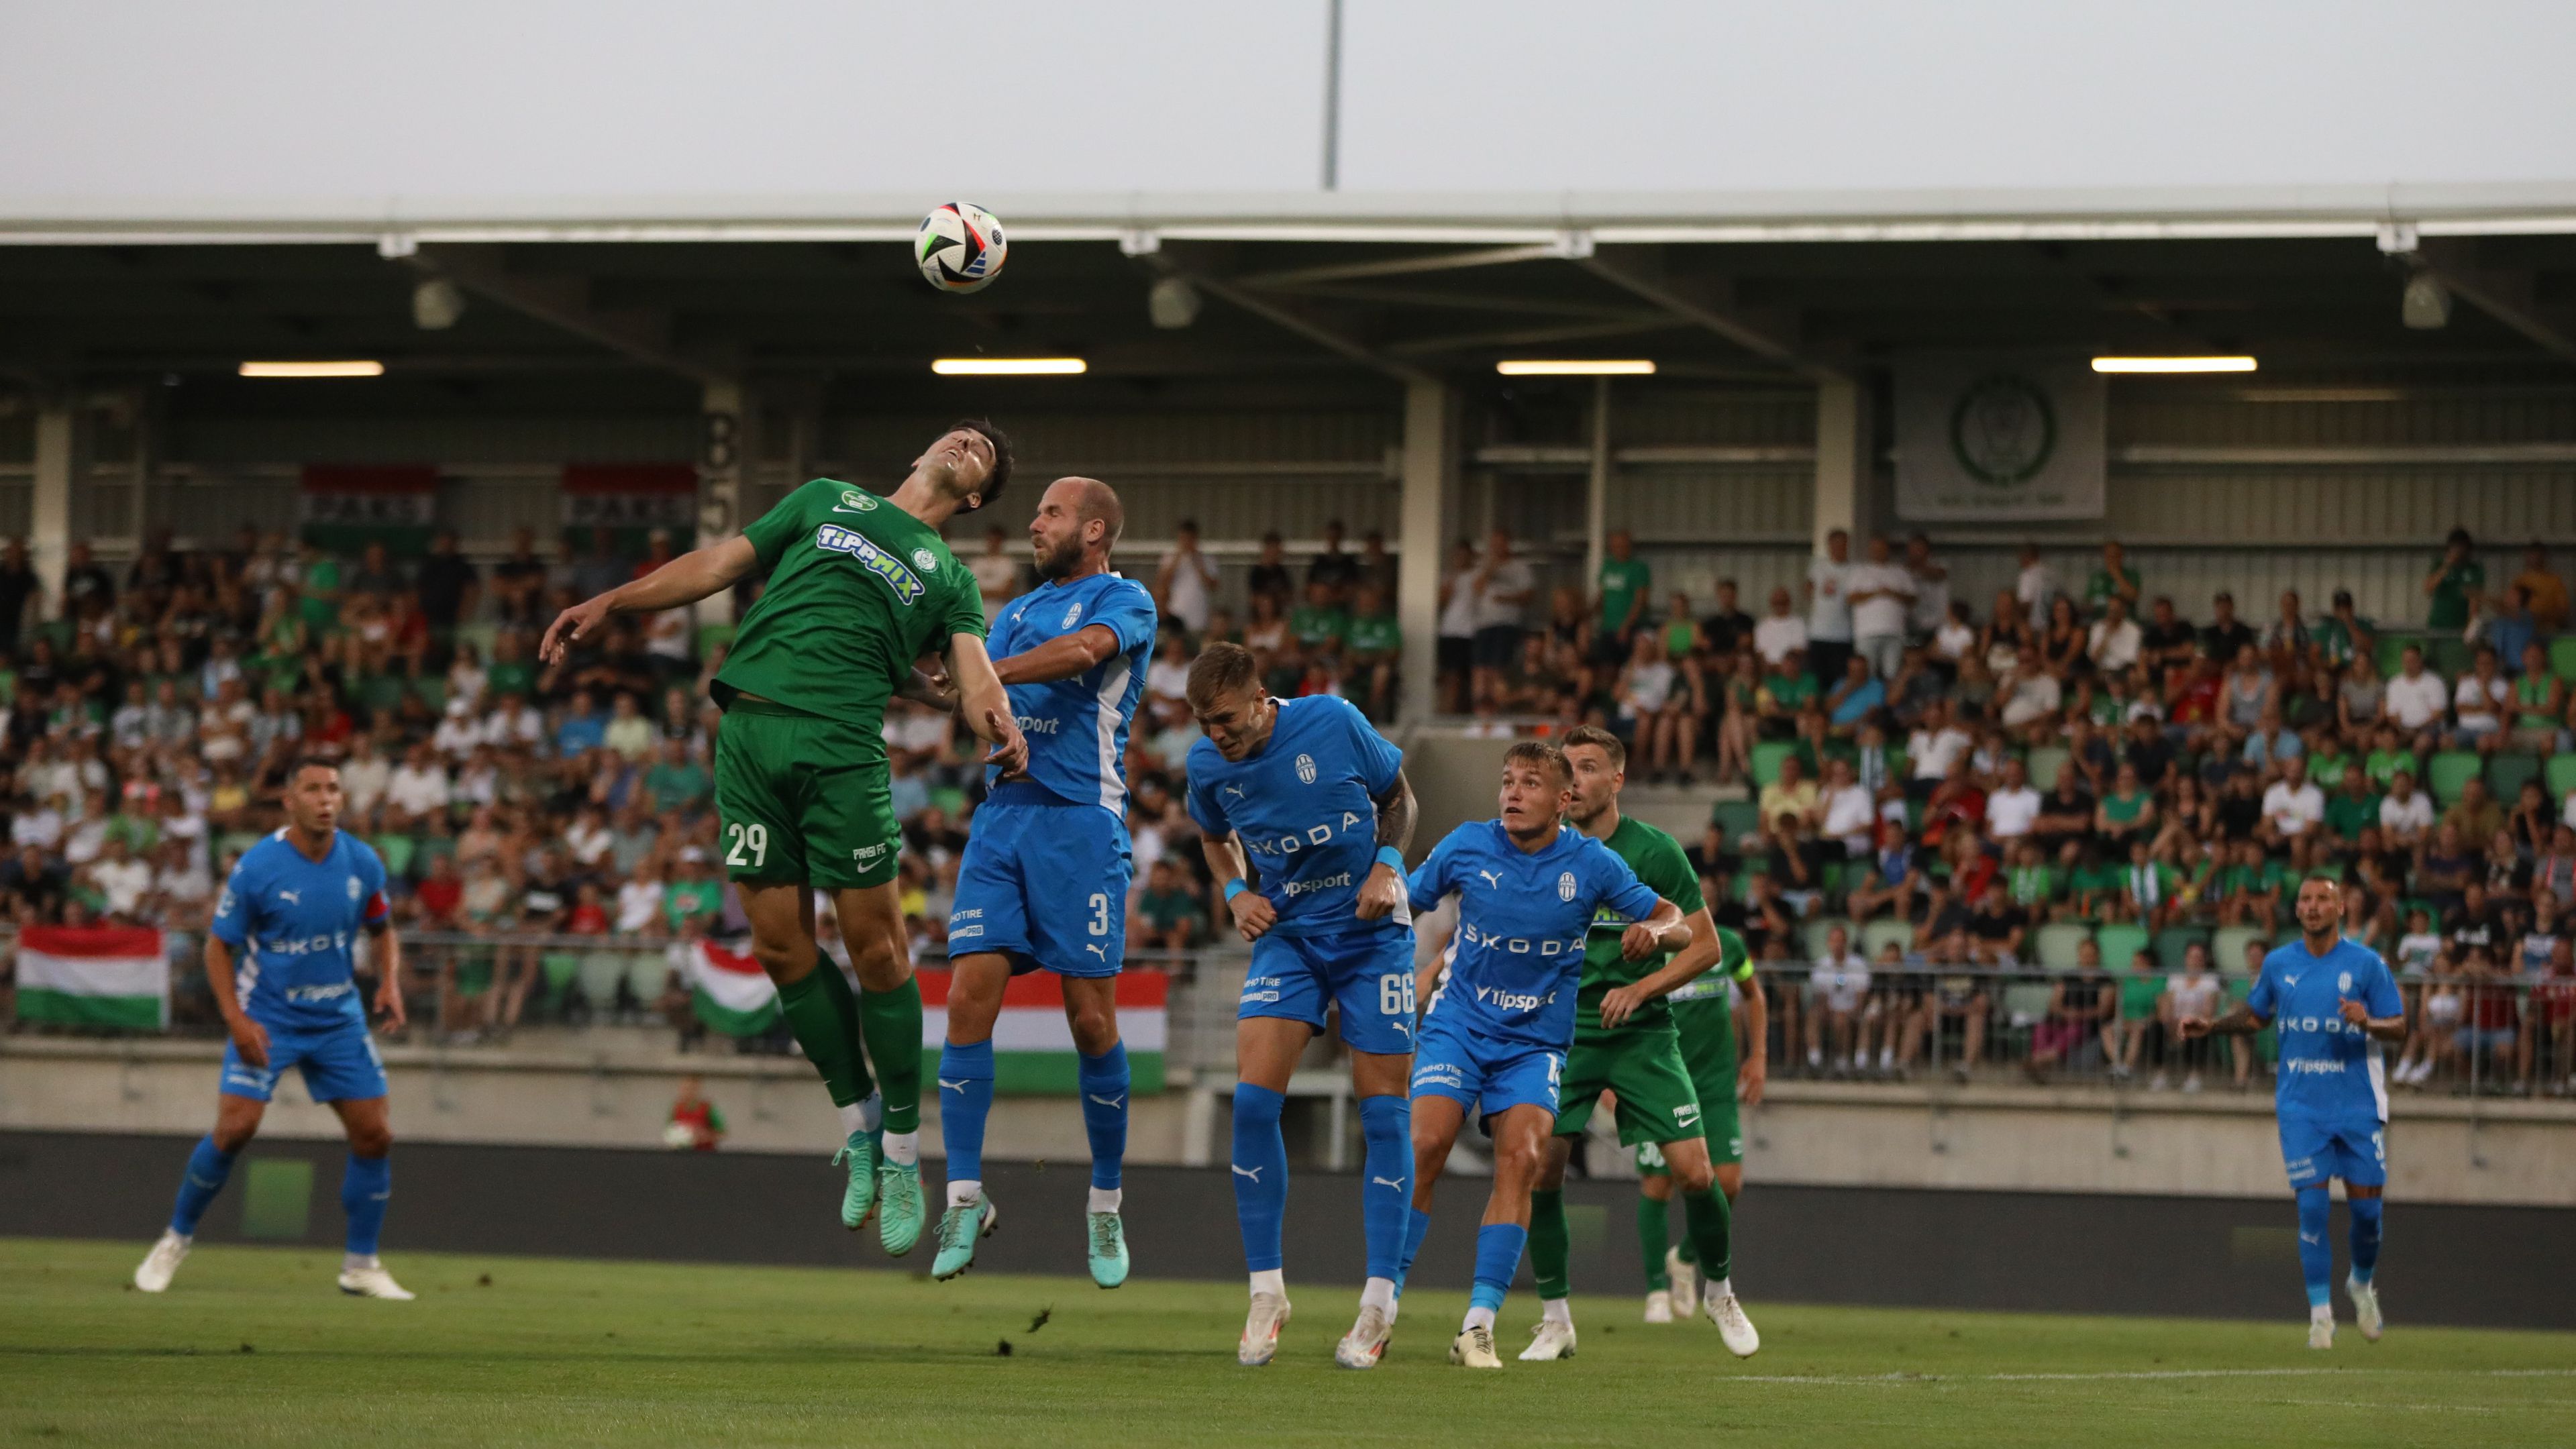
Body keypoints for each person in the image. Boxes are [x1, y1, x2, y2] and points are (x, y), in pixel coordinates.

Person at [540, 422, 1028, 1257]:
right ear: (917, 452)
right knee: (778, 948)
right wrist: (614, 599)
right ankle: (863, 1132)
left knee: (878, 954)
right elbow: (719, 565)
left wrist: (999, 719)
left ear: (975, 497)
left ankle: (908, 1158)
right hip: (748, 734)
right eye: (955, 434)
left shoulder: (946, 576)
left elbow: (973, 671)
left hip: (840, 748)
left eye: (979, 452)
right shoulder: (825, 500)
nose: (963, 443)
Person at [1396, 742, 1685, 1371]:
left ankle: (1477, 1325)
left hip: (1533, 1043)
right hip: (1460, 1026)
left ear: (1562, 800)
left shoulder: (1591, 863)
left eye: (1530, 783)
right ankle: (1380, 1306)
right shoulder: (1466, 845)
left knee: (1524, 1158)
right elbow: (1401, 905)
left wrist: (1656, 931)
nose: (1512, 792)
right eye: (1506, 781)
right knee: (1422, 1147)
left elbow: (1675, 919)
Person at [932, 478, 1155, 1289]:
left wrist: (986, 671)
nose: (1033, 522)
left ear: (1094, 529)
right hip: (1004, 818)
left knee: (1091, 1021)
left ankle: (1103, 1203)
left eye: (1051, 513)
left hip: (1081, 826)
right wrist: (983, 710)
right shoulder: (1015, 611)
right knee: (964, 1000)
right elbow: (979, 700)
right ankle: (963, 1194)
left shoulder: (1125, 598)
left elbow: (1081, 655)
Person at [1181, 641, 1420, 1368]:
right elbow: (1211, 834)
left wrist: (1387, 864)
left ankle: (1378, 1304)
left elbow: (1401, 801)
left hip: (1371, 935)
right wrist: (1233, 890)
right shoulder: (1205, 767)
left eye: (1223, 719)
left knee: (1381, 1112)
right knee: (1253, 1105)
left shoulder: (1332, 721)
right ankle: (1266, 1292)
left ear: (1260, 700)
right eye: (1201, 723)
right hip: (1288, 938)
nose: (1214, 735)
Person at [1517, 727, 1761, 1362]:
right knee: (1542, 1172)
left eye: (1588, 767)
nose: (1573, 779)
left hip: (1642, 1034)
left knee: (1697, 1173)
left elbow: (1705, 947)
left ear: (1616, 781)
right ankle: (1555, 1317)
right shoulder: (1538, 848)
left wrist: (1648, 979)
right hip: (1559, 1034)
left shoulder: (1652, 851)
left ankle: (1719, 1291)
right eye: (1565, 768)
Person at [132, 757, 411, 1300]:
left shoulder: (362, 862)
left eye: (333, 788)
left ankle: (360, 1265)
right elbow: (219, 946)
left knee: (375, 1135)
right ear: (290, 800)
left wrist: (389, 983)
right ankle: (175, 1239)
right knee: (236, 1129)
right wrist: (235, 1019)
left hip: (337, 1018)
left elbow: (383, 929)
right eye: (313, 789)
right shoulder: (259, 867)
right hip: (269, 1017)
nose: (326, 798)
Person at [2181, 873, 2406, 1348]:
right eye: (2304, 899)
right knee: (2311, 1206)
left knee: (2367, 1215)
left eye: (2322, 899)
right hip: (2300, 1106)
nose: (2311, 906)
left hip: (2357, 1105)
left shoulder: (2366, 965)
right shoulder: (2279, 964)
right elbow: (2256, 1015)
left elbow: (2400, 1027)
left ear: (2339, 908)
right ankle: (2320, 1315)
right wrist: (2213, 1026)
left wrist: (2371, 1021)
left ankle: (2360, 1286)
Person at [1804, 528, 1855, 684]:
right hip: (1819, 632)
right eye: (1835, 544)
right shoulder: (1818, 567)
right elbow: (1808, 589)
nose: (1838, 547)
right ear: (1829, 545)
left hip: (1843, 634)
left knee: (1839, 678)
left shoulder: (1854, 569)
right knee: (1817, 678)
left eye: (1842, 544)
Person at [1152, 517, 1218, 637]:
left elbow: (1213, 586)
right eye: (1183, 538)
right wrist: (1178, 558)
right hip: (1174, 613)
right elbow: (1161, 583)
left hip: (1198, 615)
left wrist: (1197, 561)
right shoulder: (1170, 557)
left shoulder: (1207, 559)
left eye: (1190, 539)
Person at [2423, 526, 2483, 632]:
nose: (2459, 551)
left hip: (2460, 627)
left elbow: (2475, 602)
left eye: (2462, 546)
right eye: (2455, 546)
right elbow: (2428, 589)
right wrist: (2447, 566)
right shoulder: (2439, 565)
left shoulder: (2474, 570)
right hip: (2437, 625)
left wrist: (2470, 628)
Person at [667, 1075, 727, 1151]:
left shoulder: (708, 1108)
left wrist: (705, 1137)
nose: (688, 1092)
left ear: (697, 1090)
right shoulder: (677, 1109)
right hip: (682, 1156)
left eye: (691, 1089)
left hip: (704, 1155)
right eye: (685, 1089)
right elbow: (669, 1131)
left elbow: (722, 1134)